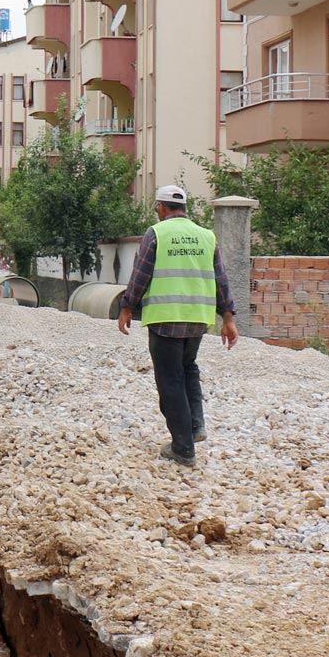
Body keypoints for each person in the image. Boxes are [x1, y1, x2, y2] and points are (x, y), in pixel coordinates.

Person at [116, 183, 238, 468]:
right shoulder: (206, 236)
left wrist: (126, 305)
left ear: (160, 207)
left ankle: (183, 448)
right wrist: (228, 317)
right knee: (188, 368)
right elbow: (221, 279)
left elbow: (141, 274)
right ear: (183, 208)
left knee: (170, 379)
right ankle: (195, 426)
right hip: (198, 319)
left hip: (165, 318)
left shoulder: (156, 233)